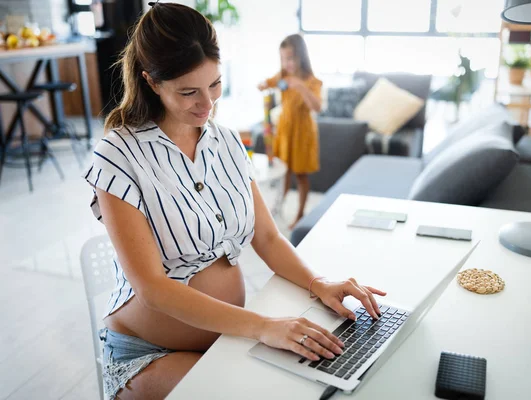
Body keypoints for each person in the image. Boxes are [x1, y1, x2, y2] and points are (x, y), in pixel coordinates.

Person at [82, 3, 385, 399]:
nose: (207, 104)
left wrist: (317, 282)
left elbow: (267, 237)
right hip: (150, 354)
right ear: (152, 82)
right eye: (188, 91)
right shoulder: (118, 153)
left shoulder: (225, 140)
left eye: (215, 84)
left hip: (228, 336)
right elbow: (153, 289)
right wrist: (264, 325)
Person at [258, 34, 322, 229]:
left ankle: (300, 213)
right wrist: (262, 85)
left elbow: (317, 107)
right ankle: (277, 210)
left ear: (301, 57)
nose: (287, 63)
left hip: (303, 133)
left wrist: (301, 86)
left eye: (291, 58)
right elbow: (266, 83)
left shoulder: (312, 82)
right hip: (285, 131)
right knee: (283, 172)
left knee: (301, 175)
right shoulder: (282, 77)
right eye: (284, 59)